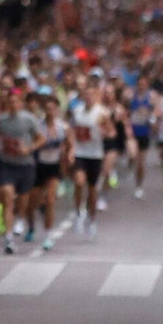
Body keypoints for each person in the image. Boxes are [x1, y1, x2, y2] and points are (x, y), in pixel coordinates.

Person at [0, 88, 42, 255]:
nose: (12, 105)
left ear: (20, 103)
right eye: (9, 102)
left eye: (15, 101)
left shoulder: (29, 119)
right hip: (7, 163)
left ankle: (20, 217)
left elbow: (41, 138)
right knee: (6, 194)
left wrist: (28, 149)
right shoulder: (2, 120)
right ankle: (9, 237)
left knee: (23, 198)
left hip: (25, 164)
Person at [68, 79, 114, 238]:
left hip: (95, 155)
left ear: (96, 96)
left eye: (91, 95)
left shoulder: (102, 113)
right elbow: (72, 131)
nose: (88, 97)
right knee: (79, 182)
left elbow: (111, 132)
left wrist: (103, 129)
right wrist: (71, 148)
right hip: (81, 153)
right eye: (86, 95)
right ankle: (78, 211)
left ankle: (92, 219)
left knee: (92, 190)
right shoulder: (77, 111)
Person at [30, 96, 68, 251]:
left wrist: (69, 154)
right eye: (47, 108)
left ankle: (47, 235)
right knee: (34, 201)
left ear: (57, 109)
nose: (50, 111)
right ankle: (32, 222)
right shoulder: (37, 126)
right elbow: (31, 143)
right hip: (38, 166)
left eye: (53, 108)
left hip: (54, 167)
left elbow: (69, 144)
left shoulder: (63, 127)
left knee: (51, 199)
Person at [128, 81, 154, 199]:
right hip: (133, 133)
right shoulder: (131, 97)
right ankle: (130, 161)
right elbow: (126, 112)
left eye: (144, 84)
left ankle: (139, 185)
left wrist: (149, 115)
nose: (142, 86)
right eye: (140, 84)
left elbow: (155, 113)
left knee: (141, 163)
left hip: (144, 132)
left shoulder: (151, 98)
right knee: (133, 156)